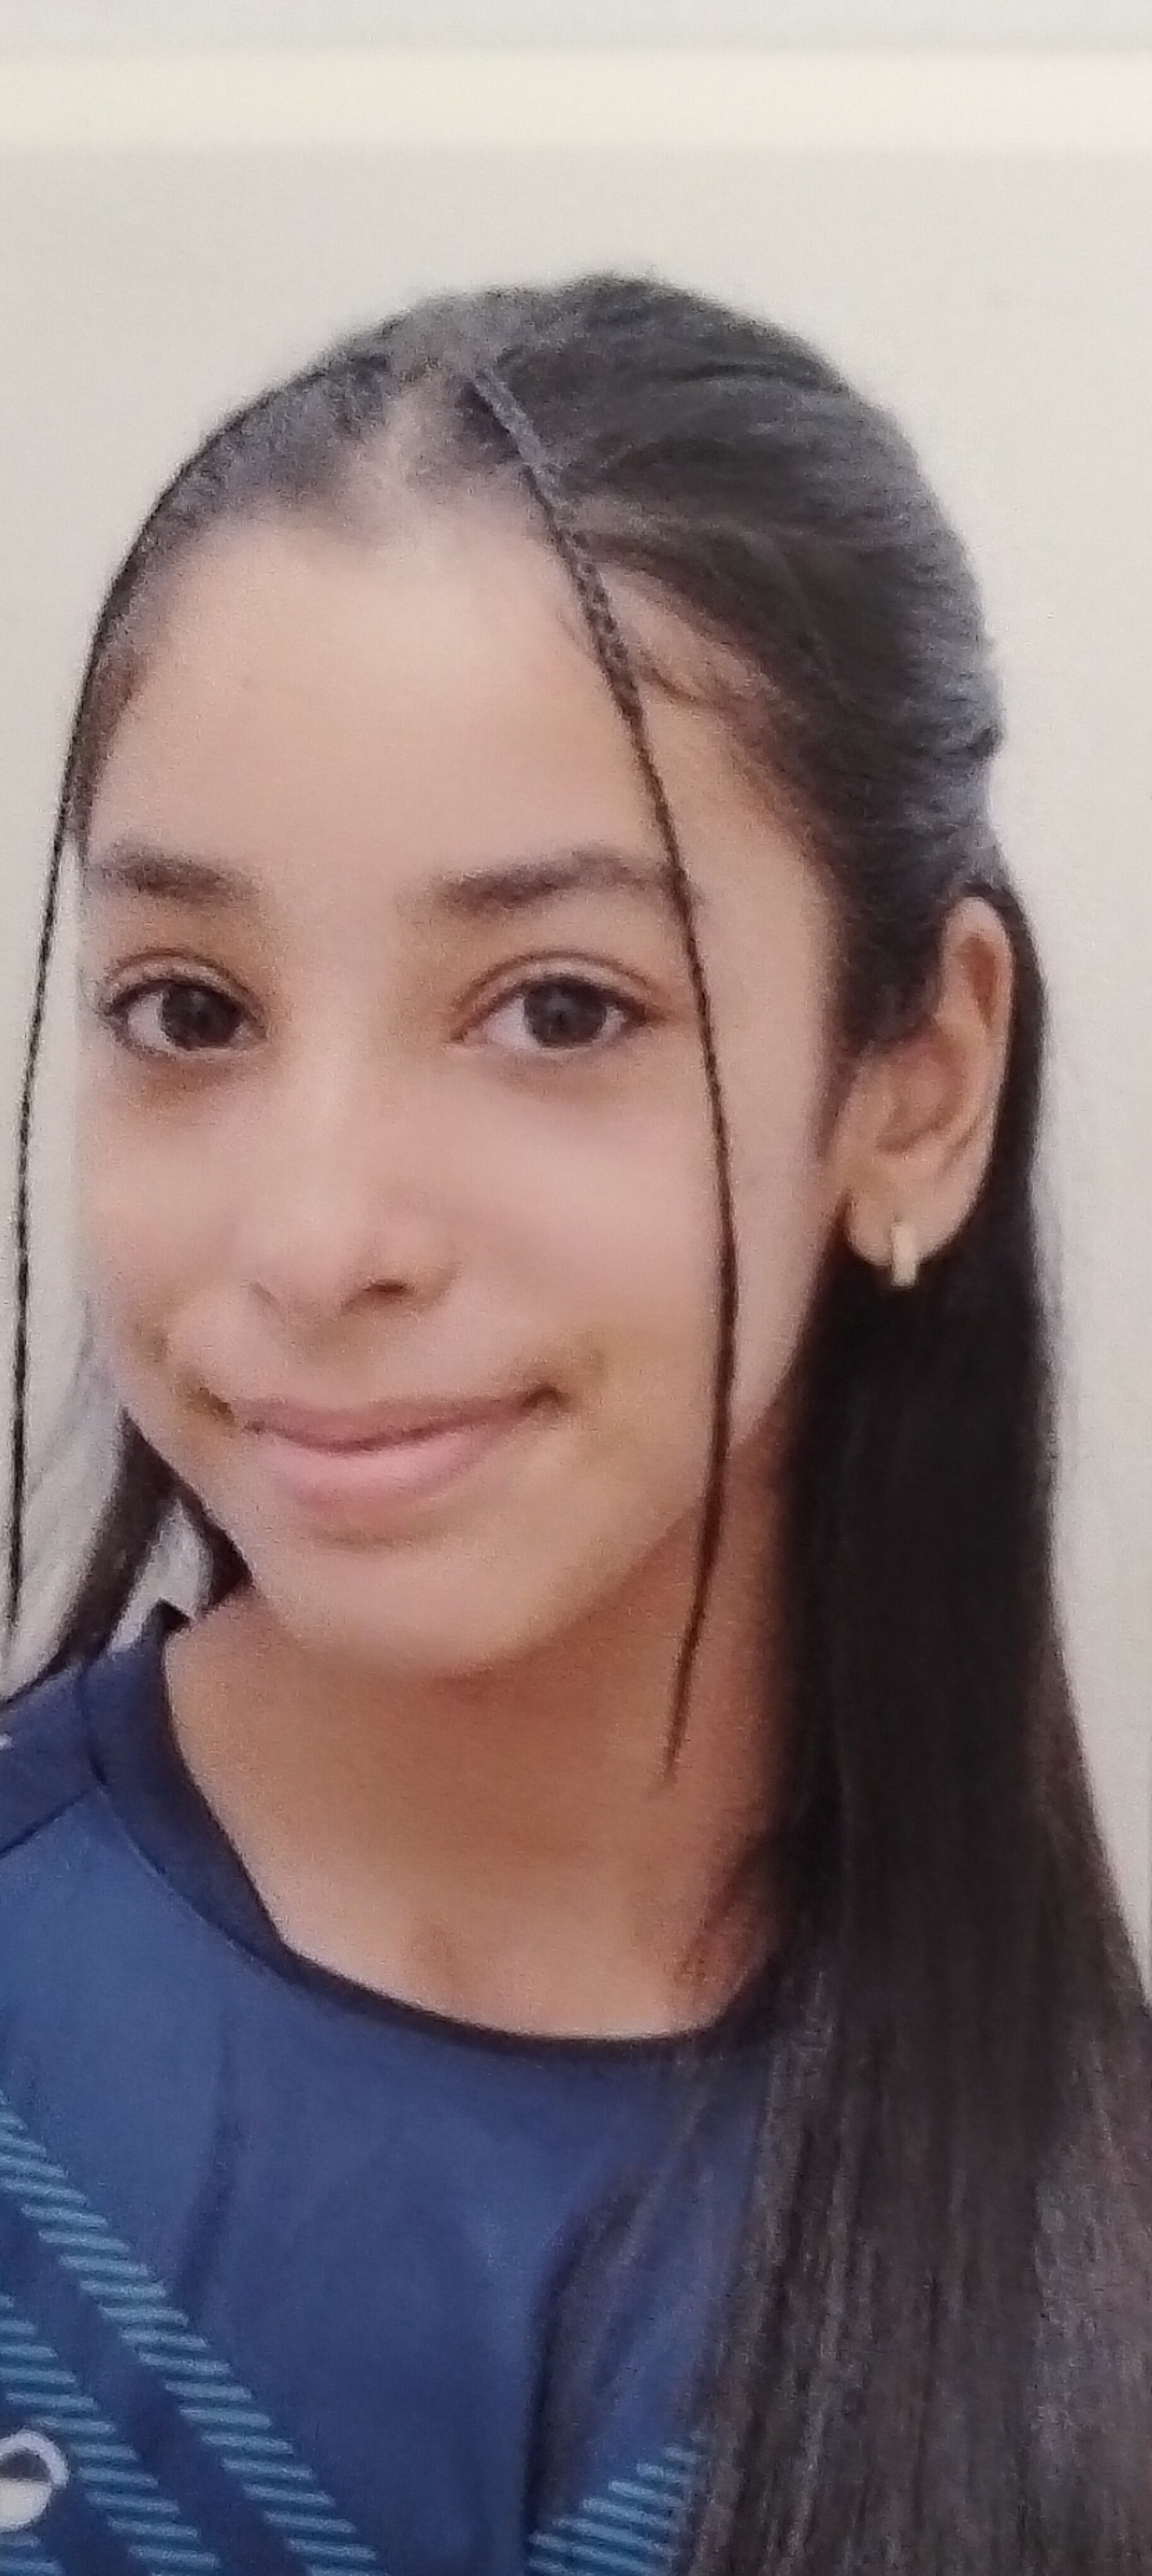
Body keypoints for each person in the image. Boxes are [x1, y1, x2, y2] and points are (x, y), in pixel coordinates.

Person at [0, 271, 1148, 2576]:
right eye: (191, 1009)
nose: (317, 1238)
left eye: (555, 1009)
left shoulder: (1082, 2267)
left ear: (916, 1087)